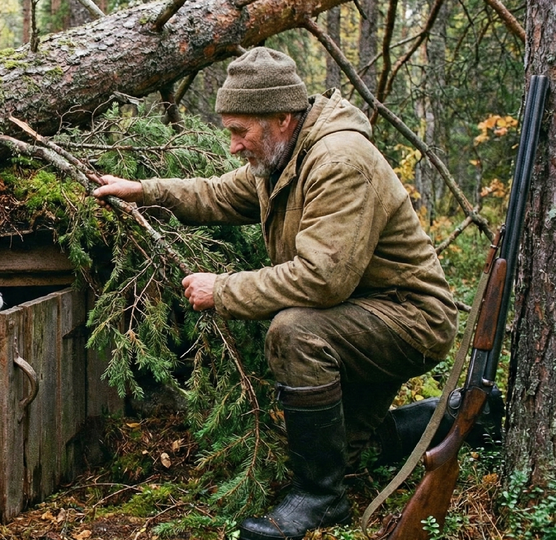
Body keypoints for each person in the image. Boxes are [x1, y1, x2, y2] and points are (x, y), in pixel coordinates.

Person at [93, 47, 460, 540]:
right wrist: (146, 191)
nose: (233, 146)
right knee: (349, 451)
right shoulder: (286, 156)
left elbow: (321, 279)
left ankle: (321, 500)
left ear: (281, 118)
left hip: (409, 318)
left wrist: (223, 289)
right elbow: (219, 194)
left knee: (295, 331)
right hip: (362, 310)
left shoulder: (338, 161)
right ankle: (454, 418)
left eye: (239, 131)